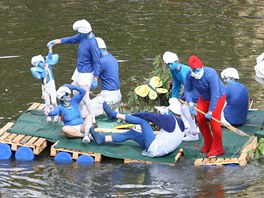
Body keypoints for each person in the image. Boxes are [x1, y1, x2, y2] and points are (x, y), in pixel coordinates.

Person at [47, 19, 100, 124]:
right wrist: (55, 42)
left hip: (86, 72)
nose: (78, 34)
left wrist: (95, 78)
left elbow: (97, 61)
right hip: (79, 69)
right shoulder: (82, 36)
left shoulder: (92, 43)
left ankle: (93, 119)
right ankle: (79, 114)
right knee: (75, 91)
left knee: (85, 97)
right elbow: (71, 39)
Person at [90, 101, 185, 158]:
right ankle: (102, 139)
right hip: (164, 150)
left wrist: (132, 115)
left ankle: (114, 115)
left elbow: (148, 116)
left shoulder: (170, 119)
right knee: (132, 133)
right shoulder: (182, 123)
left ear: (171, 111)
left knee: (143, 122)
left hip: (156, 149)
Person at [184, 55, 226, 158]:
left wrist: (211, 111)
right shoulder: (189, 75)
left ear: (202, 68)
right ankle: (208, 142)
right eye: (194, 70)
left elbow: (215, 94)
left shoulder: (211, 74)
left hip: (218, 97)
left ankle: (218, 148)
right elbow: (187, 90)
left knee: (214, 121)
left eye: (197, 70)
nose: (196, 72)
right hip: (203, 98)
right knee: (200, 118)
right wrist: (190, 103)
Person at [163, 51, 200, 141]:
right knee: (177, 105)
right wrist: (173, 98)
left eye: (171, 64)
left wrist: (189, 102)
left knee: (185, 108)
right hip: (188, 90)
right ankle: (190, 126)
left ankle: (194, 134)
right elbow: (176, 84)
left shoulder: (186, 71)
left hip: (197, 90)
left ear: (177, 61)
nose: (170, 67)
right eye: (168, 65)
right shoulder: (173, 71)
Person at [83, 37, 122, 117]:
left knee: (82, 111)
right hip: (117, 95)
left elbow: (93, 84)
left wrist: (85, 89)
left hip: (108, 97)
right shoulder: (112, 58)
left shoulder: (101, 62)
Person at [31, 46, 59, 123]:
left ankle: (56, 115)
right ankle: (48, 117)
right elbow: (38, 74)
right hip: (44, 87)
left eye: (41, 62)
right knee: (47, 103)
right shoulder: (39, 70)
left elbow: (53, 56)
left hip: (51, 85)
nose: (41, 64)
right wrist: (42, 71)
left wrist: (50, 48)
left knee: (54, 102)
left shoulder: (48, 64)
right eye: (38, 64)